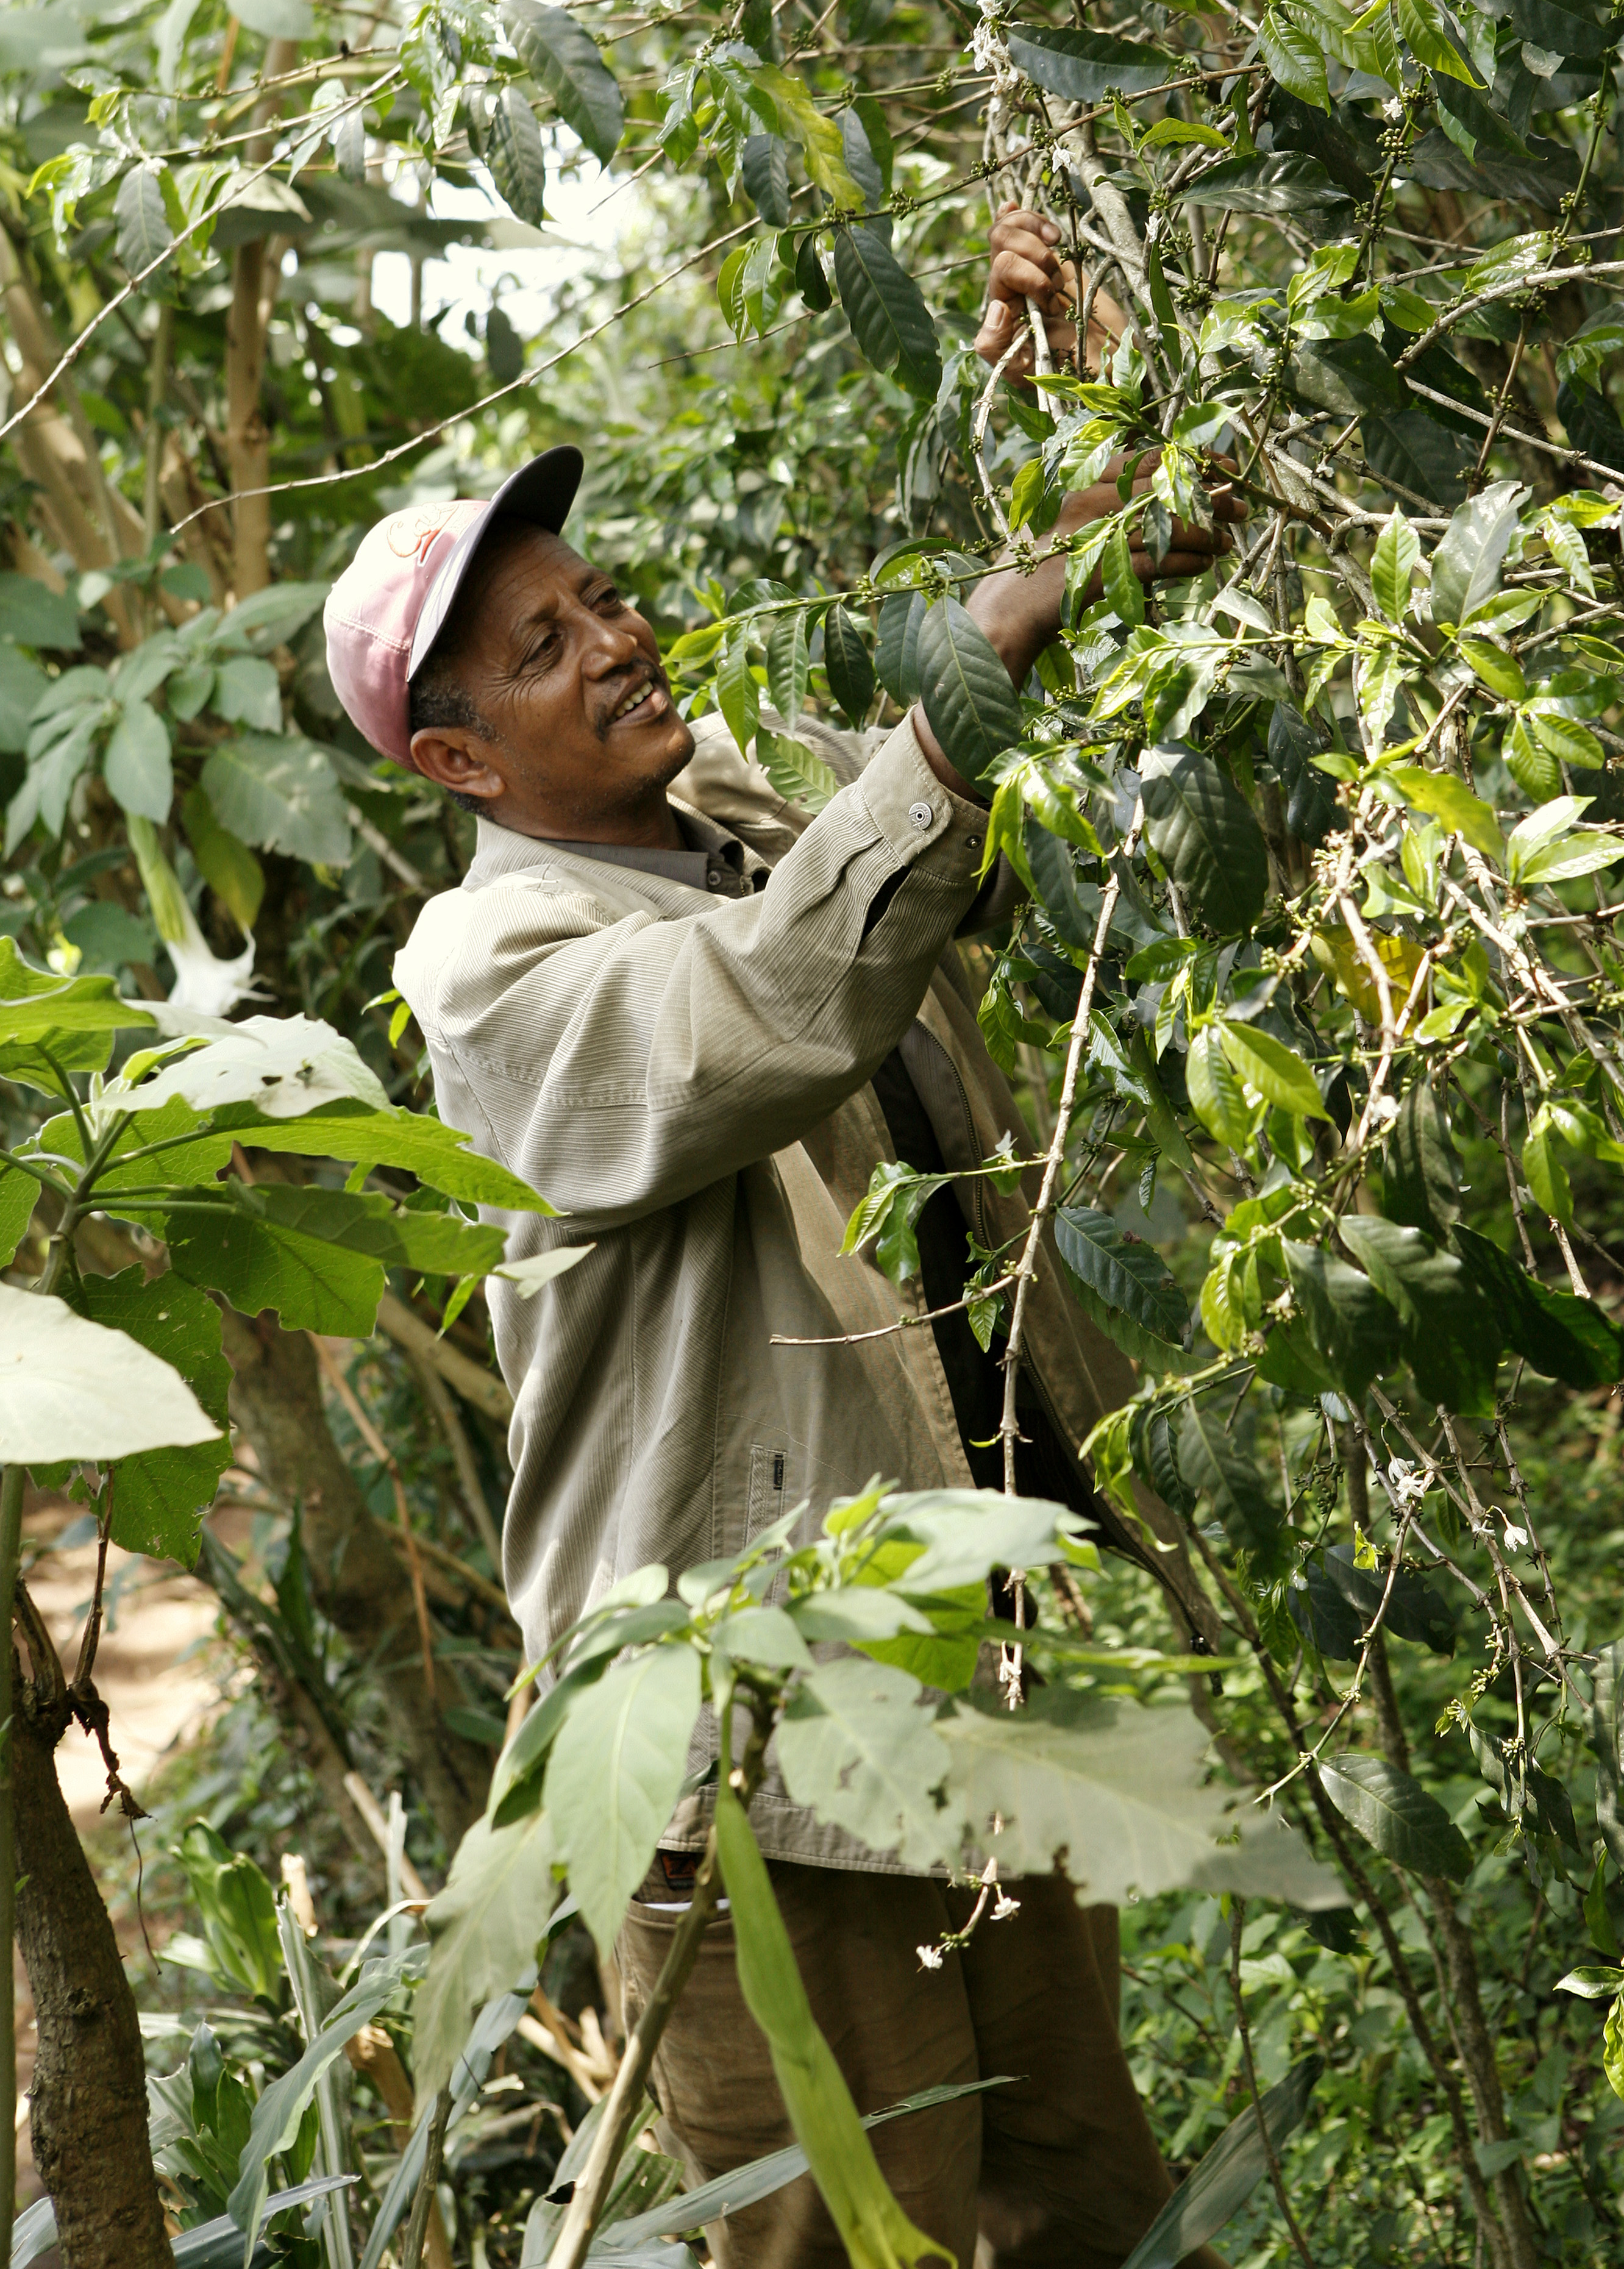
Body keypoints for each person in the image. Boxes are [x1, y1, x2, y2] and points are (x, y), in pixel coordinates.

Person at [322, 209, 1231, 2269]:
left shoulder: (720, 805)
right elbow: (785, 994)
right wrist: (997, 633)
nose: (616, 641)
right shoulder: (491, 962)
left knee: (1084, 2193)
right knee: (852, 2232)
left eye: (599, 598)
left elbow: (916, 827)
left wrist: (1084, 457)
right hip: (746, 1752)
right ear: (458, 762)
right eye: (542, 651)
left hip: (942, 1674)